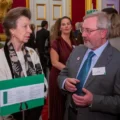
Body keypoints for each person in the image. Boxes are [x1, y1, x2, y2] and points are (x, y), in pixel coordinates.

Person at [58, 12, 120, 120]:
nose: (83, 35)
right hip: (70, 114)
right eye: (83, 29)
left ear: (103, 33)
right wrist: (64, 82)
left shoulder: (117, 59)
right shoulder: (77, 51)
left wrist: (93, 101)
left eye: (88, 30)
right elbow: (62, 74)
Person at [0, 7, 47, 120]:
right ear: (12, 30)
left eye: (29, 27)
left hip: (35, 114)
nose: (30, 31)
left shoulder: (32, 53)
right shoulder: (1, 57)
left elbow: (43, 84)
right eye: (25, 26)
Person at [49, 16, 77, 120]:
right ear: (60, 28)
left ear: (71, 26)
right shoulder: (56, 42)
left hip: (71, 77)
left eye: (68, 24)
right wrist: (70, 70)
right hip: (58, 76)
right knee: (59, 104)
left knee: (69, 103)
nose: (66, 26)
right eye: (63, 24)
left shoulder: (74, 42)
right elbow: (55, 62)